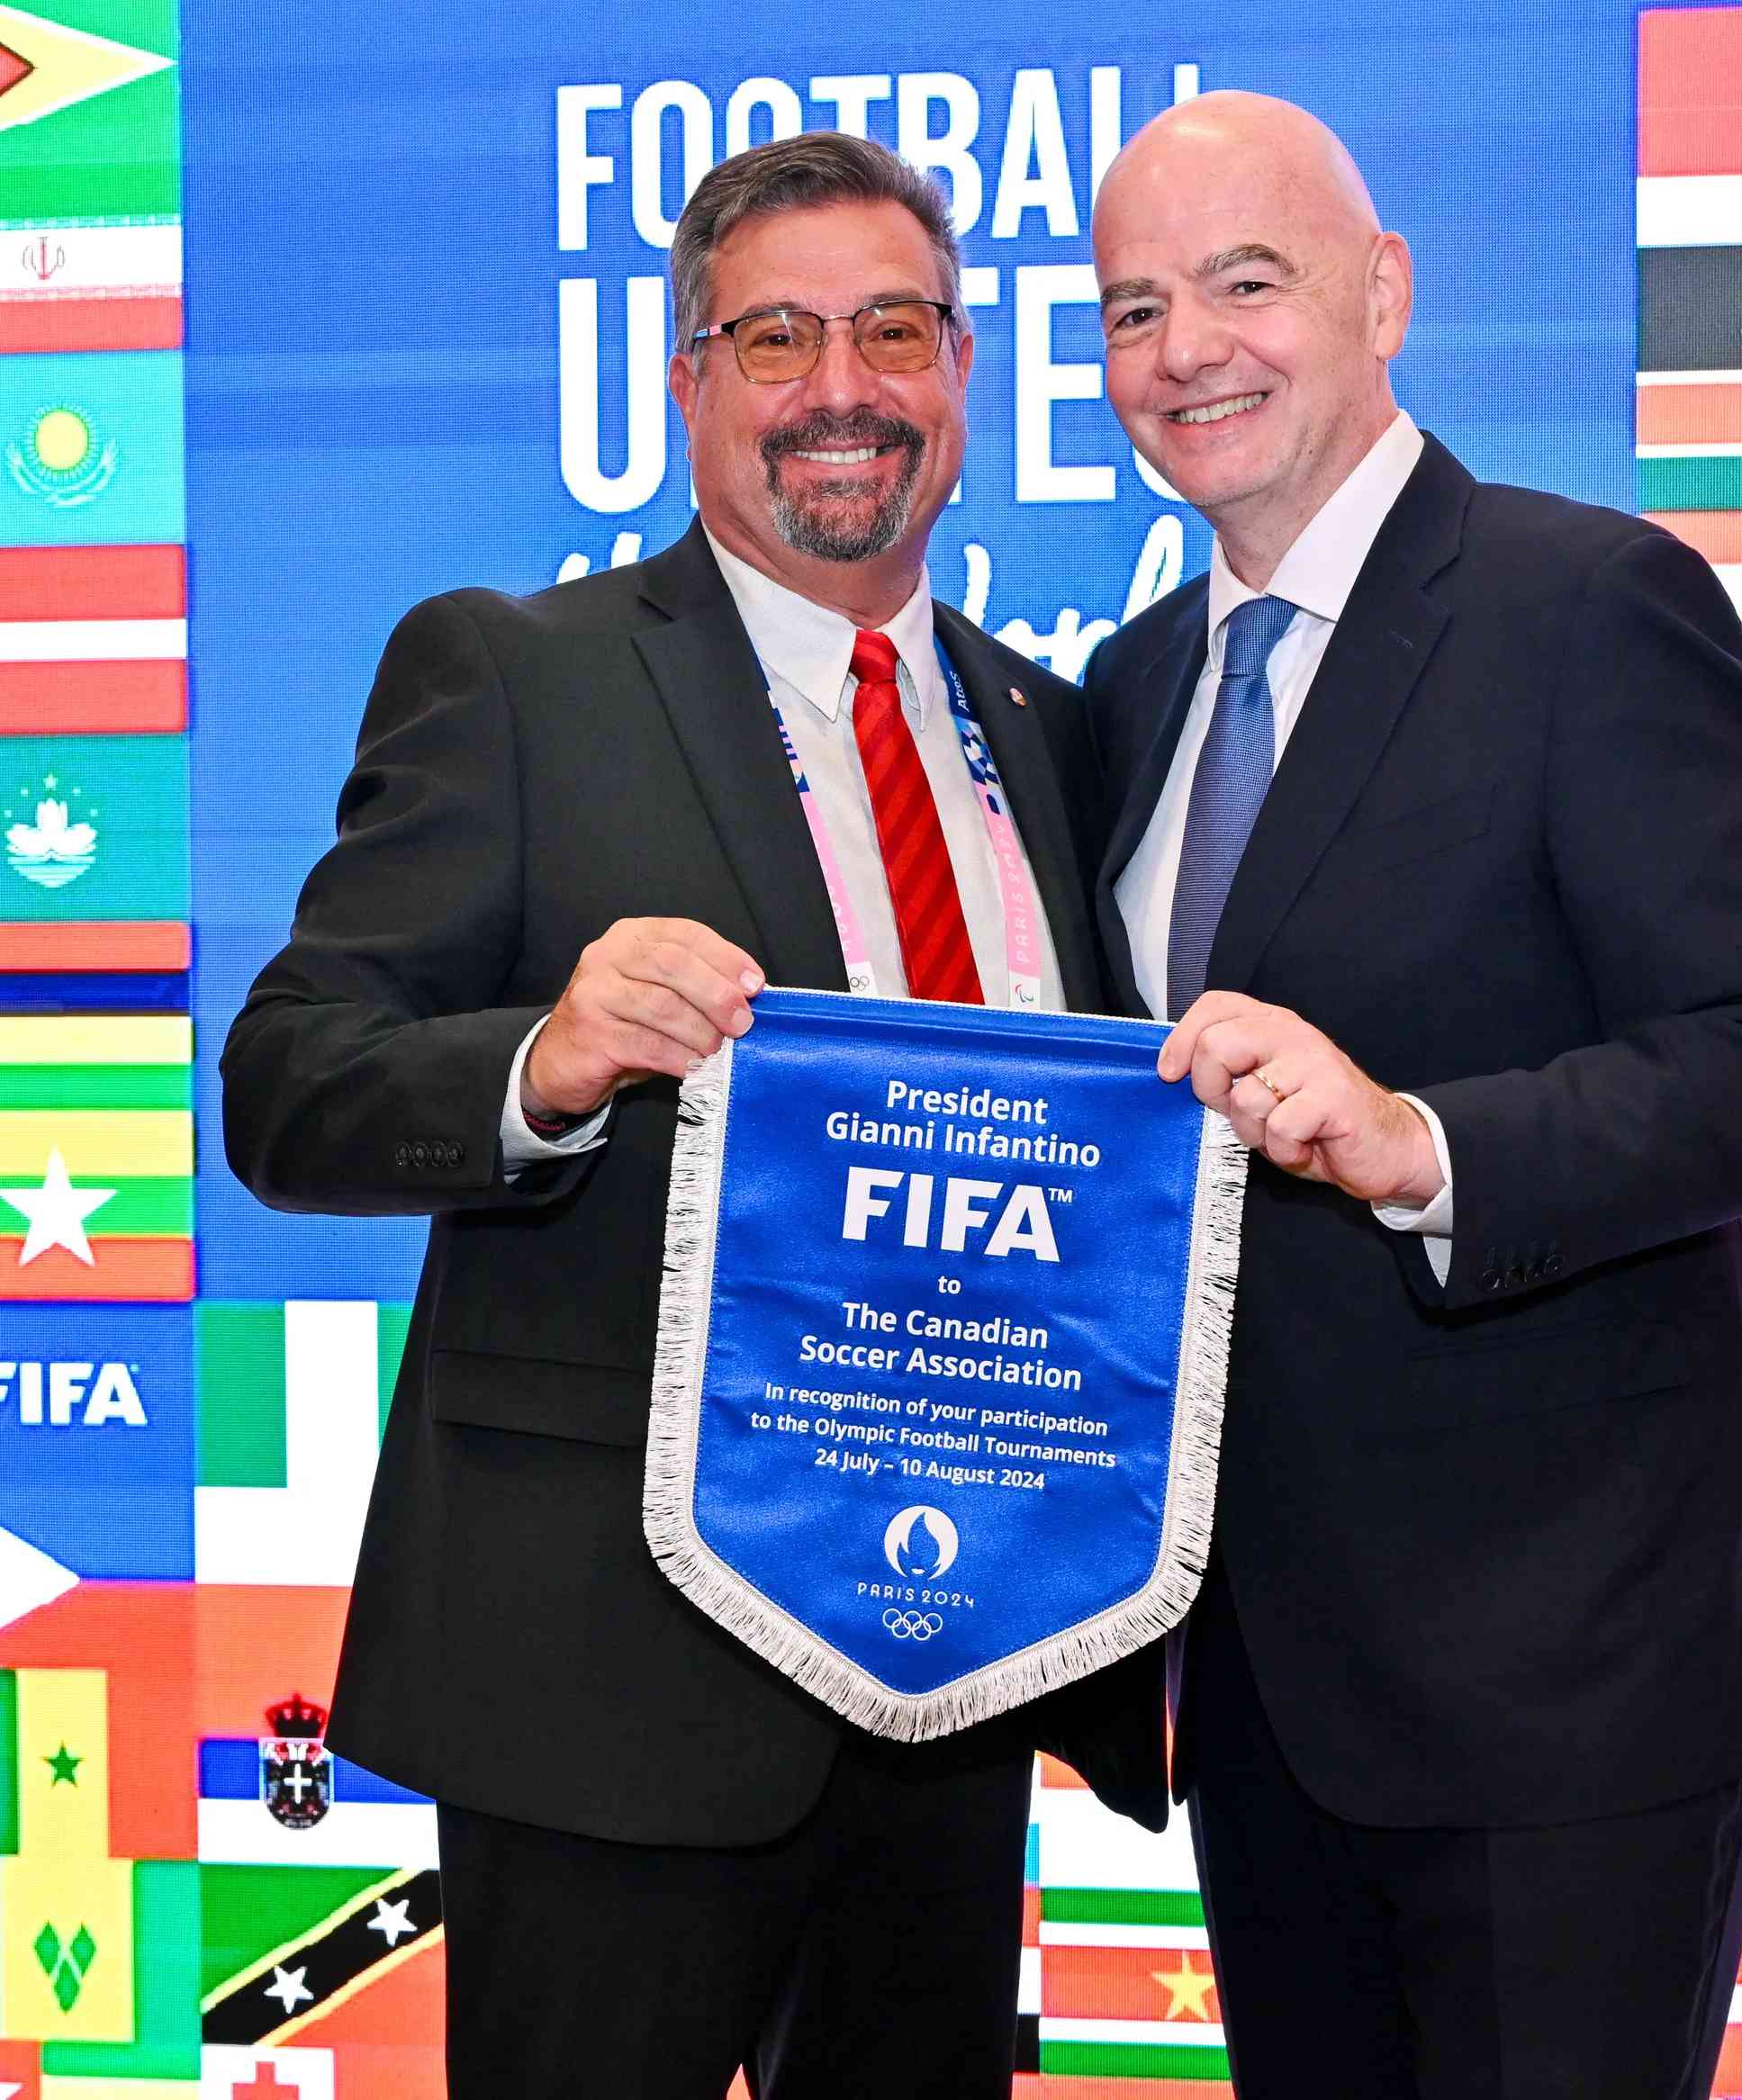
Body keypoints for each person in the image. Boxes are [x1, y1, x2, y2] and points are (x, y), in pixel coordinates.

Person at [221, 131, 1161, 2100]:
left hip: (952, 1691)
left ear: (965, 371)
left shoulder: (1056, 734)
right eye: (777, 337)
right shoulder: (517, 675)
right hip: (604, 1703)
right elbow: (289, 1079)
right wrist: (542, 1063)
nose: (842, 389)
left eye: (894, 329)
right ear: (687, 381)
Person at [1083, 92, 1742, 2100]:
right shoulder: (1138, 681)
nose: (1187, 351)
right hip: (1256, 1674)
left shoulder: (1587, 604)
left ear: (1385, 293)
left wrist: (1424, 1143)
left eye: (1246, 283)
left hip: (1570, 1670)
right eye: (1134, 306)